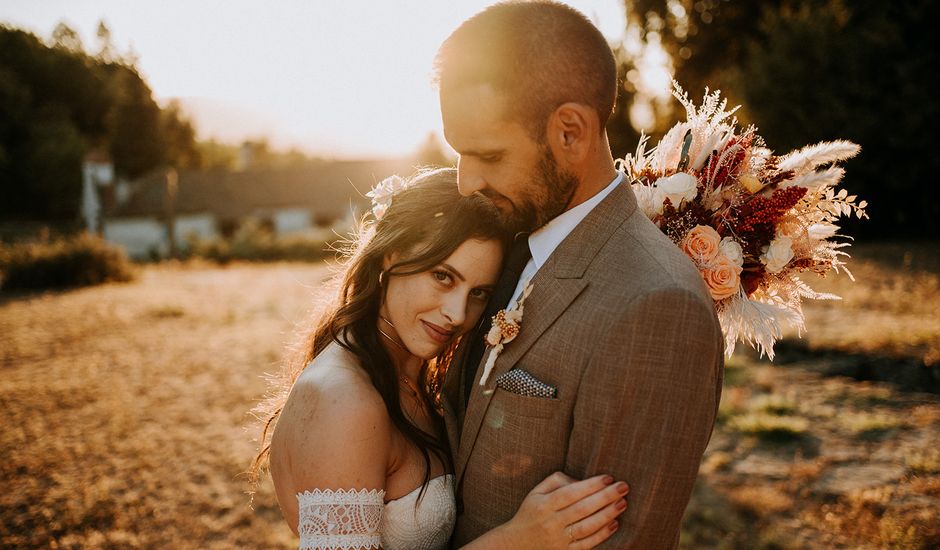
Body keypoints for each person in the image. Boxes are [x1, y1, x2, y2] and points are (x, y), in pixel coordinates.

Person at [434, 2, 725, 548]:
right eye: (458, 154)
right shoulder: (500, 245)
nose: (465, 182)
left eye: (488, 155)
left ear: (571, 132)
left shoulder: (658, 305)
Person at [249, 168, 630, 550]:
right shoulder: (344, 401)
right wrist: (519, 540)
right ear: (391, 254)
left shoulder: (413, 372)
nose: (458, 313)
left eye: (478, 292)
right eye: (443, 277)